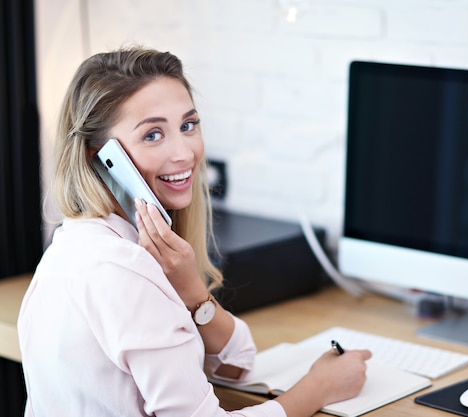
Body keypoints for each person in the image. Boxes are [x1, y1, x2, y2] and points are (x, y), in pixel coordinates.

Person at [17, 46, 372, 417]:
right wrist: (318, 389)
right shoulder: (123, 270)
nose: (185, 153)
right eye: (153, 135)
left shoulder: (73, 243)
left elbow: (240, 363)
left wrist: (192, 291)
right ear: (101, 158)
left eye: (188, 125)